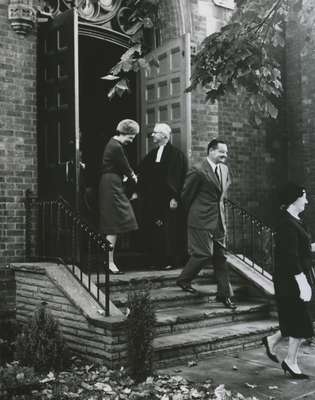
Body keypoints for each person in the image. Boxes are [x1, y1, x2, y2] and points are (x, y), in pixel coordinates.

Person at [262, 182, 314, 379]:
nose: (306, 201)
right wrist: (302, 282)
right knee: (300, 319)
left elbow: (301, 248)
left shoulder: (297, 221)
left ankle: (272, 341)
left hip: (300, 274)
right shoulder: (286, 224)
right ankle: (290, 361)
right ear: (294, 199)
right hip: (291, 278)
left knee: (295, 317)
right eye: (304, 197)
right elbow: (289, 256)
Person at [176, 139, 236, 309]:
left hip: (218, 220)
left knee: (221, 257)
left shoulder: (224, 169)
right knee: (203, 254)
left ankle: (225, 295)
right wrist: (194, 214)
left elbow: (222, 192)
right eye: (221, 152)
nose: (225, 155)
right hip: (200, 219)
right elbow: (186, 195)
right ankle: (183, 280)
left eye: (226, 152)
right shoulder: (198, 170)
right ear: (210, 151)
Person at [137, 123, 188, 269]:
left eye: (155, 133)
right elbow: (142, 170)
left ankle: (171, 260)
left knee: (169, 229)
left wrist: (175, 198)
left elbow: (178, 178)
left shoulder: (176, 155)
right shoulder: (153, 153)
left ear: (164, 136)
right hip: (154, 199)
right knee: (155, 228)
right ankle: (156, 259)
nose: (152, 135)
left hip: (169, 199)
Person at [98, 119, 140, 274]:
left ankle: (108, 261)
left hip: (112, 183)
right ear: (127, 133)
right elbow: (126, 167)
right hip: (111, 185)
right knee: (113, 224)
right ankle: (108, 262)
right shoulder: (116, 147)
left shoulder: (114, 144)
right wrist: (132, 177)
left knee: (114, 224)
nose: (132, 140)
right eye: (132, 136)